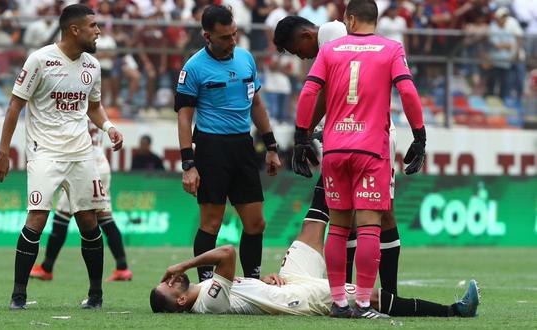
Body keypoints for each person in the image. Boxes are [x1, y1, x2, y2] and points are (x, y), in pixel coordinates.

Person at [292, 0, 426, 318]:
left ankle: (339, 303)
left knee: (338, 227)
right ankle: (364, 303)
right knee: (369, 227)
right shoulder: (391, 49)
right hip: (371, 149)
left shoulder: (330, 50)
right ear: (373, 21)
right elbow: (408, 92)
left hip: (335, 148)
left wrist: (300, 136)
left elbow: (309, 93)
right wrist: (419, 136)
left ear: (350, 20)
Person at [0, 4, 124, 310]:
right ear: (74, 29)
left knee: (89, 220)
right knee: (37, 217)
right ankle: (19, 296)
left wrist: (108, 126)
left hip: (81, 152)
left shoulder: (92, 66)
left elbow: (93, 105)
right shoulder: (40, 60)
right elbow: (14, 105)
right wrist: (3, 151)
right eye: (93, 26)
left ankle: (95, 296)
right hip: (45, 151)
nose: (98, 31)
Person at [273, 15, 402, 297]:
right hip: (354, 133)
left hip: (374, 132)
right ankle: (348, 291)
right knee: (348, 214)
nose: (302, 57)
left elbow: (324, 90)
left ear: (307, 36)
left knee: (381, 214)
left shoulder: (333, 34)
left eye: (298, 51)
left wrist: (303, 133)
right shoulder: (331, 40)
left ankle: (388, 294)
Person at [149, 222, 480, 318]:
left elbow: (243, 288)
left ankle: (331, 148)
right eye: (171, 285)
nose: (174, 278)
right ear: (179, 302)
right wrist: (183, 263)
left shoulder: (207, 292)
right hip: (298, 298)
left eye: (170, 277)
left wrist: (260, 281)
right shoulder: (207, 303)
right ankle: (456, 311)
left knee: (310, 232)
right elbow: (228, 251)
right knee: (370, 297)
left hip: (280, 284)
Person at [175, 5, 281, 283]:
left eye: (234, 34)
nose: (232, 41)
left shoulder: (246, 58)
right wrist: (188, 164)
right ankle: (207, 285)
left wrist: (271, 146)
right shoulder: (193, 67)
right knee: (211, 223)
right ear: (207, 36)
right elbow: (185, 119)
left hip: (243, 147)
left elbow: (256, 103)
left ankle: (253, 283)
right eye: (225, 37)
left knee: (256, 223)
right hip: (211, 149)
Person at [30, 120, 133, 283]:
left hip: (82, 168)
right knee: (105, 217)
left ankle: (46, 268)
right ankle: (122, 267)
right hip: (100, 165)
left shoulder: (75, 111)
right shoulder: (94, 108)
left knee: (61, 216)